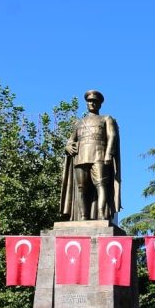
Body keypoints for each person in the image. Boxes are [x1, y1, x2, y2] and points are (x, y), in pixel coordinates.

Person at [59, 89, 121, 222]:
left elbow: (112, 136)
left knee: (101, 184)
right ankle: (83, 216)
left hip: (99, 155)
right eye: (89, 101)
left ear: (100, 104)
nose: (92, 103)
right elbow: (70, 140)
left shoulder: (106, 119)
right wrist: (68, 146)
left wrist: (109, 153)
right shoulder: (78, 123)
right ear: (86, 103)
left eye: (94, 101)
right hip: (81, 157)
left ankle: (102, 214)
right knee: (81, 188)